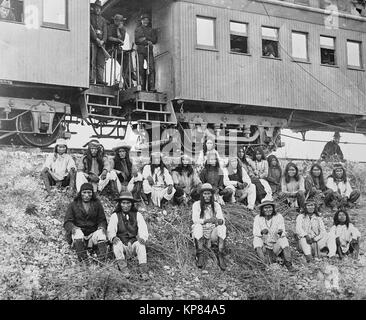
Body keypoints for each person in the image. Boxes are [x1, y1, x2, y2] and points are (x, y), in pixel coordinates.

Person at [107, 191, 149, 279]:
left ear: (132, 204)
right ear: (120, 204)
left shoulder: (137, 215)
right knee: (116, 244)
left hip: (132, 244)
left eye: (128, 203)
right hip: (122, 244)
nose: (126, 205)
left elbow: (143, 228)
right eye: (123, 203)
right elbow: (111, 230)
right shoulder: (115, 216)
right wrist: (113, 237)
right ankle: (124, 269)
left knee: (141, 245)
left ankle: (144, 271)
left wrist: (142, 238)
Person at [64, 183, 108, 263]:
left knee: (102, 233)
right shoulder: (73, 204)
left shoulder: (97, 204)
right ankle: (84, 261)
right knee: (77, 233)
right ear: (80, 193)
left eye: (89, 192)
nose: (86, 195)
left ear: (92, 193)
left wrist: (101, 227)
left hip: (92, 234)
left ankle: (102, 260)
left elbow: (102, 220)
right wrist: (73, 228)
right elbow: (67, 221)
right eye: (84, 192)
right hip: (79, 233)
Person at [192, 183, 227, 270]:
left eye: (209, 194)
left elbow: (221, 219)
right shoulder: (196, 204)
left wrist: (219, 221)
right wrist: (206, 220)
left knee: (222, 227)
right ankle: (200, 254)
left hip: (212, 232)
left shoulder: (216, 205)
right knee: (197, 226)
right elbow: (195, 219)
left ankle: (220, 254)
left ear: (212, 194)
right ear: (201, 195)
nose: (207, 196)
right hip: (201, 232)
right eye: (205, 194)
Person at [253, 200, 295, 271]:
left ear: (273, 208)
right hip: (264, 247)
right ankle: (262, 265)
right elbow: (255, 233)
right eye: (265, 208)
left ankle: (289, 264)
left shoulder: (279, 217)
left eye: (270, 207)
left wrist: (280, 232)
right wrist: (261, 232)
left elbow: (283, 232)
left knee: (283, 239)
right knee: (256, 240)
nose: (268, 210)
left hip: (275, 246)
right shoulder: (258, 218)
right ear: (262, 209)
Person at [134, 13, 157, 91]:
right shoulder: (137, 29)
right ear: (141, 21)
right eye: (144, 20)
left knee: (151, 68)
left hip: (149, 51)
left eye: (147, 20)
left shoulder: (152, 30)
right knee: (140, 68)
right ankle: (141, 86)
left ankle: (152, 87)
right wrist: (148, 40)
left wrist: (145, 38)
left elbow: (154, 40)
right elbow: (137, 40)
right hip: (140, 51)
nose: (145, 21)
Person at [90, 0, 108, 85]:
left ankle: (100, 80)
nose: (97, 10)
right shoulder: (90, 17)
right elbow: (90, 29)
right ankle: (91, 79)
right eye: (96, 8)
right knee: (92, 61)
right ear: (94, 8)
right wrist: (95, 39)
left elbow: (105, 32)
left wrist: (103, 41)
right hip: (93, 43)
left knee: (100, 63)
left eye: (99, 8)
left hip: (101, 44)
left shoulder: (103, 20)